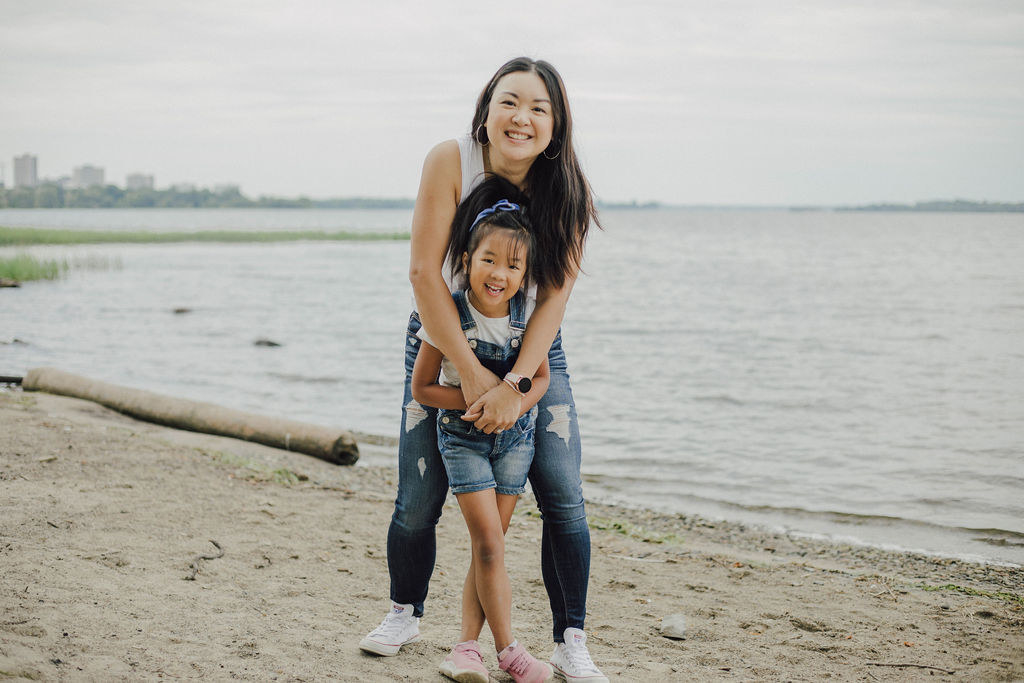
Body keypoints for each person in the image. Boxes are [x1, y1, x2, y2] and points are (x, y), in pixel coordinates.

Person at [360, 57, 607, 683]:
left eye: (538, 108)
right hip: (445, 336)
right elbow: (423, 274)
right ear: (487, 108)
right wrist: (470, 373)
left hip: (531, 349)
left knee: (562, 491)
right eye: (509, 102)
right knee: (419, 491)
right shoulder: (452, 160)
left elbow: (554, 299)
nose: (521, 118)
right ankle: (403, 612)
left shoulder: (568, 191)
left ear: (556, 125)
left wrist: (518, 388)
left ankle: (570, 638)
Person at [413, 183, 553, 682]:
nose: (499, 274)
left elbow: (542, 378)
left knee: (488, 547)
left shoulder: (529, 315)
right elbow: (424, 388)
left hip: (516, 440)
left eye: (513, 266)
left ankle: (466, 648)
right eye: (488, 260)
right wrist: (477, 403)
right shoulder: (447, 313)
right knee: (490, 544)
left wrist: (514, 404)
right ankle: (510, 651)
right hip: (464, 437)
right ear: (467, 259)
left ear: (525, 273)